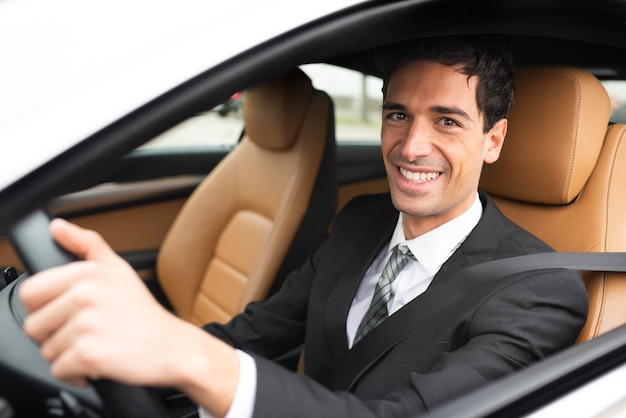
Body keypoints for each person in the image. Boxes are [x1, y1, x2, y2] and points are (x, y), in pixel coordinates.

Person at [19, 36, 588, 418]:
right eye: (398, 115)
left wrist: (187, 357)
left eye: (447, 121)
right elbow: (254, 336)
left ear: (494, 140)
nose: (412, 146)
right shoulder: (361, 221)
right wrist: (123, 350)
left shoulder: (538, 292)